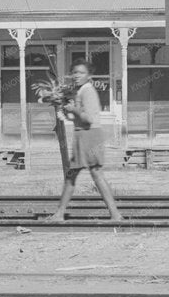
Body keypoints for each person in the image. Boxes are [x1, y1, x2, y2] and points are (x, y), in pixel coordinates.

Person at [48, 60, 123, 223]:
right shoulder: (81, 90)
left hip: (89, 135)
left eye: (81, 73)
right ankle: (114, 214)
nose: (77, 76)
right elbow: (77, 117)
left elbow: (88, 119)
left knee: (86, 175)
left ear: (89, 76)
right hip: (84, 135)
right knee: (78, 175)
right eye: (74, 72)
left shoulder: (87, 91)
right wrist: (64, 108)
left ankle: (61, 214)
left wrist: (73, 109)